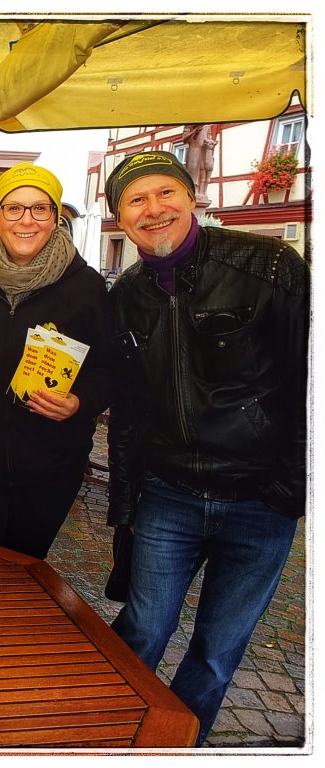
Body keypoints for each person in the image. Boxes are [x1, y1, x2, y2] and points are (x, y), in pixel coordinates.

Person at [103, 150, 308, 746]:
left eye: (165, 192)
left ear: (192, 197)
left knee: (217, 651)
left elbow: (307, 381)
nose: (153, 208)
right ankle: (114, 738)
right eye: (135, 200)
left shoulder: (269, 266)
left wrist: (288, 489)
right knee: (142, 629)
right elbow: (128, 413)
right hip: (171, 494)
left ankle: (179, 746)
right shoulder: (129, 294)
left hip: (258, 500)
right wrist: (127, 505)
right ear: (120, 217)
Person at [0, 163, 112, 558]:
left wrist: (79, 402)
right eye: (14, 208)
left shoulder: (85, 286)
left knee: (25, 571)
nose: (27, 220)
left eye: (40, 209)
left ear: (55, 218)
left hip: (51, 466)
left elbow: (108, 369)